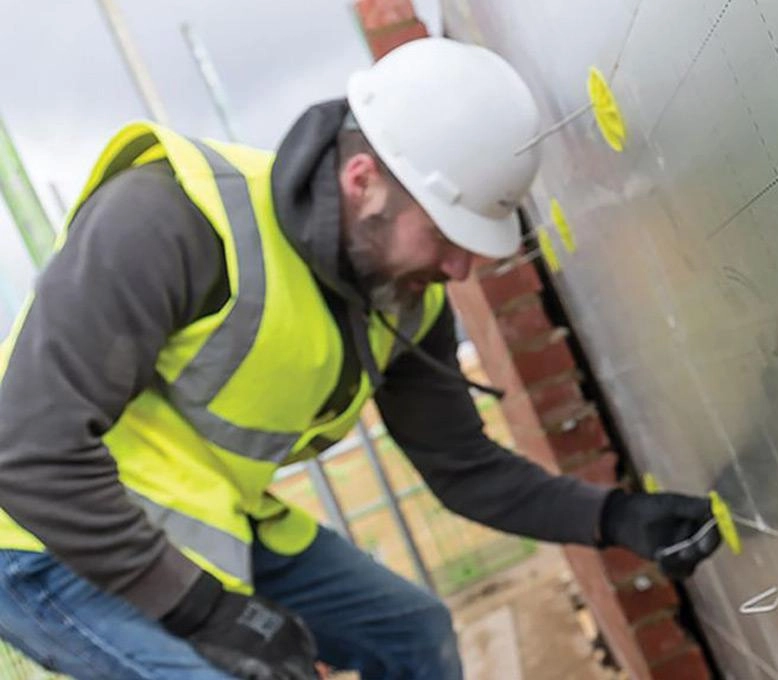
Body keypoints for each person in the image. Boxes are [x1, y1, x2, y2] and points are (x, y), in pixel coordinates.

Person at [0, 39, 720, 680]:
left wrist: (618, 518)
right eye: (446, 233)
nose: (461, 268)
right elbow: (26, 453)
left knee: (412, 634)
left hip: (203, 524)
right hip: (43, 540)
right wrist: (210, 615)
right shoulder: (172, 223)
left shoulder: (403, 301)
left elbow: (463, 468)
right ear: (362, 180)